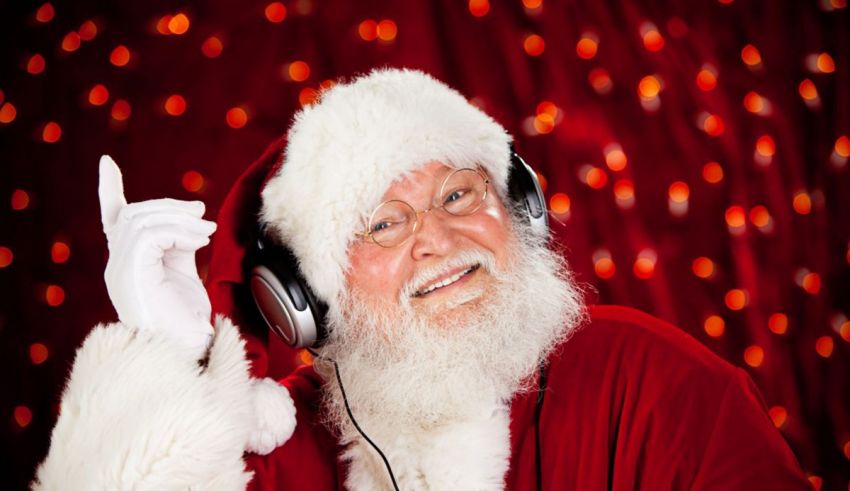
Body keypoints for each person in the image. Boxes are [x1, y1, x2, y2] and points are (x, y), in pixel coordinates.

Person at [34, 69, 809, 490]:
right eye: (382, 222)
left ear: (521, 209)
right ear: (309, 291)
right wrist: (172, 367)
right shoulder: (271, 445)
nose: (438, 240)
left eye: (456, 196)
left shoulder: (661, 385)